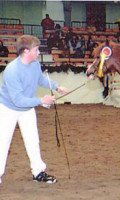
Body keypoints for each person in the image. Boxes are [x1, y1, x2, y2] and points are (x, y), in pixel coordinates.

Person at [0, 35, 68, 184]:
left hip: (27, 109)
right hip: (7, 109)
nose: (38, 52)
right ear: (26, 51)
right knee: (3, 142)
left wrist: (57, 86)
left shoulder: (35, 64)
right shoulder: (12, 71)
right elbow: (17, 100)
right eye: (36, 49)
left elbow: (41, 79)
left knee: (33, 141)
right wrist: (41, 101)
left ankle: (38, 172)